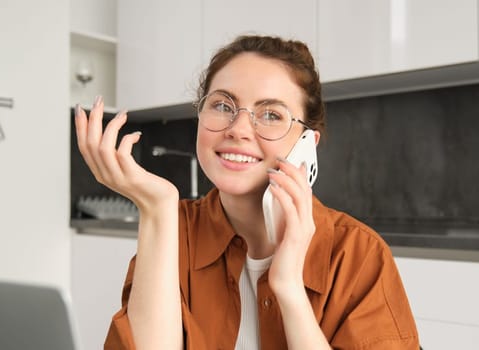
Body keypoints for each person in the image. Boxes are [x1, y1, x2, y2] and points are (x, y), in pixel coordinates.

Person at [75, 35, 420, 349]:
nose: (238, 129)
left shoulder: (358, 255)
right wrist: (157, 209)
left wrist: (288, 288)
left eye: (270, 114)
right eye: (223, 106)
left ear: (307, 143)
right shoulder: (173, 232)